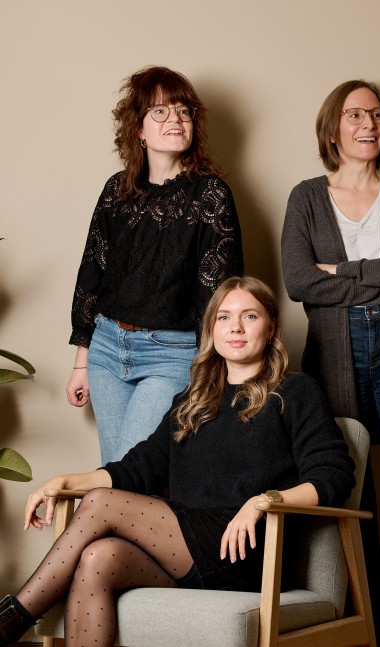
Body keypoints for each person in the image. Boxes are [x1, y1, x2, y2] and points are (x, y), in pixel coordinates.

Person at [0, 276, 355, 647]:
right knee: (98, 557)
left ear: (271, 327)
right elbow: (137, 469)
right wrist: (64, 481)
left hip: (250, 551)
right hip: (186, 552)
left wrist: (262, 502)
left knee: (101, 503)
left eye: (249, 316)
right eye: (223, 317)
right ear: (211, 329)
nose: (235, 327)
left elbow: (335, 475)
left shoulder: (296, 392)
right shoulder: (191, 401)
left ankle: (12, 619)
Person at [281, 80, 380, 647]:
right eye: (354, 115)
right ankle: (378, 623)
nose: (368, 124)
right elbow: (299, 280)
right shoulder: (306, 196)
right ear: (333, 128)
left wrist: (343, 273)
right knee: (356, 501)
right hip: (336, 354)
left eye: (375, 114)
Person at [65, 65, 244, 464]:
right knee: (114, 473)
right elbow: (92, 275)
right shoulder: (116, 190)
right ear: (139, 130)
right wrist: (81, 362)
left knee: (128, 473)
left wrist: (211, 372)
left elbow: (218, 296)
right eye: (160, 111)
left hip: (170, 354)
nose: (175, 119)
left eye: (183, 111)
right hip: (106, 349)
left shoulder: (211, 195)